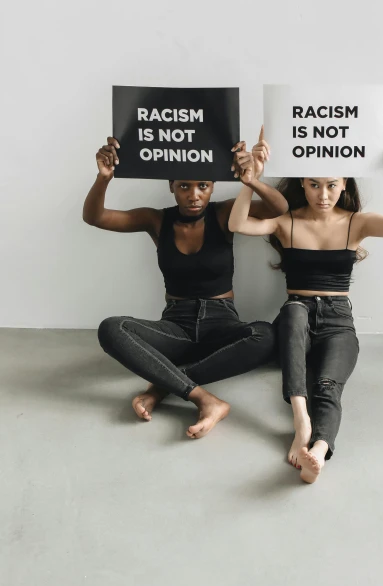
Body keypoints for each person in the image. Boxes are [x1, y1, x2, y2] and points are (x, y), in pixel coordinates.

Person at [229, 131, 383, 483]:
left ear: (344, 182)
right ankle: (301, 421)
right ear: (302, 183)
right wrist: (250, 181)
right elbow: (237, 224)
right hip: (297, 316)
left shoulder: (355, 222)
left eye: (331, 185)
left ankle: (317, 451)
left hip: (338, 320)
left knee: (329, 386)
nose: (323, 195)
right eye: (314, 185)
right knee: (292, 310)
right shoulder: (287, 221)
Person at [83, 129, 288, 439]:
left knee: (266, 335)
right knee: (112, 328)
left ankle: (162, 386)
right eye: (184, 187)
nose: (194, 195)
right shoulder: (156, 220)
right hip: (175, 327)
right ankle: (203, 398)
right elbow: (95, 217)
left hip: (221, 324)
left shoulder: (223, 213)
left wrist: (252, 181)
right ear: (171, 187)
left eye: (203, 186)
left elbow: (280, 209)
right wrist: (104, 178)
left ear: (212, 187)